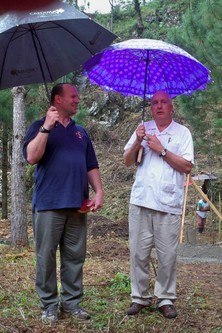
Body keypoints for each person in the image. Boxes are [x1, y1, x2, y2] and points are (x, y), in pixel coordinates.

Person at [23, 83, 104, 322]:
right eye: (73, 97)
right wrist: (47, 127)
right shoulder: (38, 126)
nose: (78, 100)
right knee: (45, 257)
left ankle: (71, 303)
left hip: (77, 205)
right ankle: (48, 305)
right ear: (57, 99)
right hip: (49, 204)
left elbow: (91, 165)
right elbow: (31, 157)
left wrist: (98, 191)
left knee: (75, 257)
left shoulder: (81, 133)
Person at [123, 90, 194, 319]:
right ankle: (139, 297)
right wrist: (137, 141)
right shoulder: (143, 128)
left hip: (168, 202)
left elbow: (186, 166)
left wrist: (161, 149)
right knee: (138, 254)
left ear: (171, 106)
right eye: (154, 103)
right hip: (141, 200)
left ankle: (165, 298)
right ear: (151, 107)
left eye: (164, 102)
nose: (159, 106)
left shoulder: (182, 133)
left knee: (167, 256)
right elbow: (127, 161)